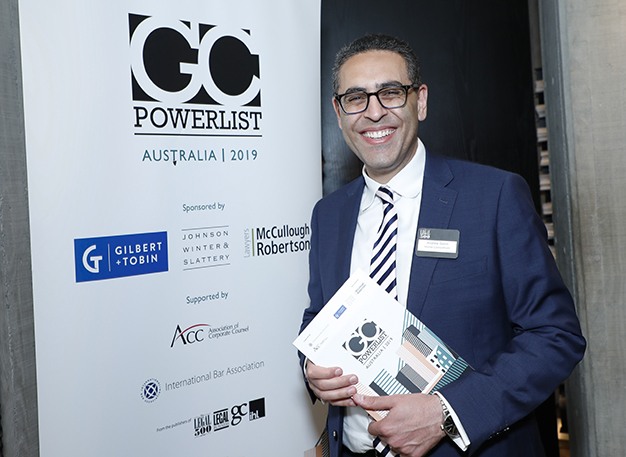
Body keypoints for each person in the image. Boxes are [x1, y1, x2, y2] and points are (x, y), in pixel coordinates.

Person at [298, 33, 585, 457]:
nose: (374, 112)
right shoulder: (329, 215)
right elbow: (319, 316)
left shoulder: (494, 197)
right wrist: (311, 367)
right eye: (356, 98)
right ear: (339, 115)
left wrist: (447, 413)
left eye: (391, 93)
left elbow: (556, 335)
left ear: (421, 101)